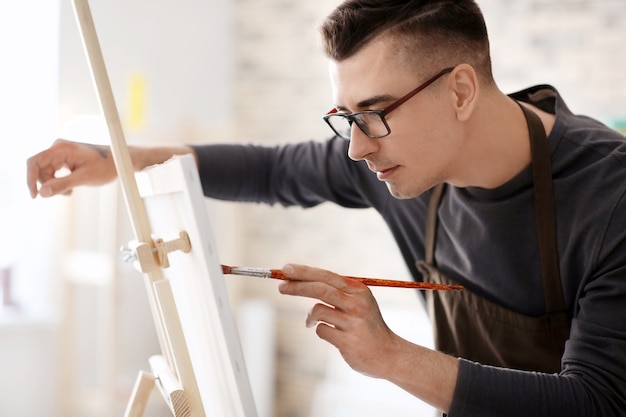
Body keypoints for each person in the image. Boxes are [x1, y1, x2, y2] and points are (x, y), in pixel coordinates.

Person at [26, 0, 626, 415]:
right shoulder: (396, 161)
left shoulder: (609, 197)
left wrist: (391, 356)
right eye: (345, 119)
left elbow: (596, 403)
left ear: (461, 91)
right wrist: (116, 158)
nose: (359, 148)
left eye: (373, 115)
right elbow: (272, 169)